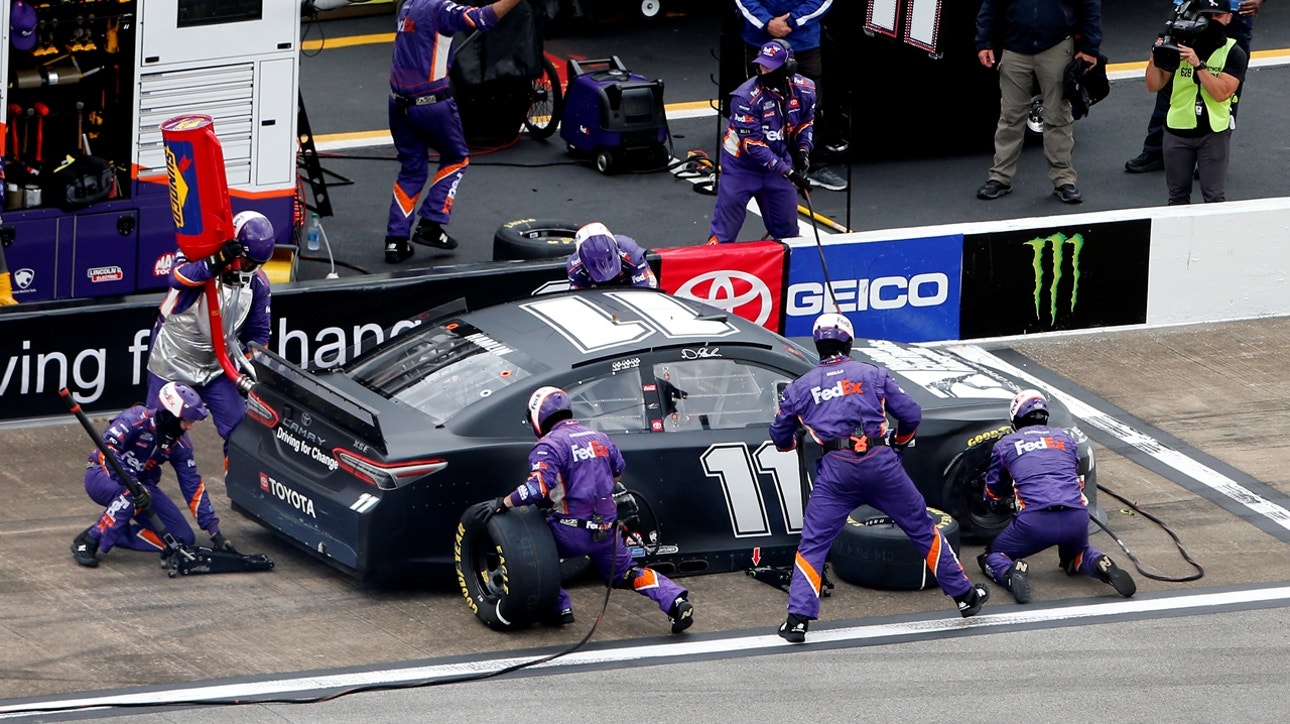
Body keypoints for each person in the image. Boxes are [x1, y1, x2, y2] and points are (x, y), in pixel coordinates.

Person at [769, 313, 989, 642]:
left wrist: (792, 441)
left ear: (818, 344)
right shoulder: (873, 373)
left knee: (813, 543)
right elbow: (911, 414)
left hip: (836, 471)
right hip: (880, 463)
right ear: (848, 342)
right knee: (921, 529)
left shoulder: (800, 387)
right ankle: (965, 597)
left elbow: (780, 437)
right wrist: (898, 443)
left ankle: (798, 619)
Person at [471, 386, 695, 634]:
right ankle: (675, 601)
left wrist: (503, 503)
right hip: (607, 530)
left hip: (569, 532)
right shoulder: (600, 437)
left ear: (538, 416)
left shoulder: (549, 445)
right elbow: (617, 474)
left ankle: (560, 607)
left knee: (534, 554)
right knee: (629, 572)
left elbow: (536, 490)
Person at [383, 0, 523, 264]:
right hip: (431, 103)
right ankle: (432, 224)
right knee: (456, 157)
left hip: (397, 102)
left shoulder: (407, 6)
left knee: (412, 169)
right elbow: (482, 19)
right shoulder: (439, 8)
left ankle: (395, 240)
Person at [979, 389, 1136, 602]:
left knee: (992, 555)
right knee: (1076, 553)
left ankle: (1011, 573)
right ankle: (1101, 563)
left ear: (1015, 417)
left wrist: (1001, 502)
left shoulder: (1005, 445)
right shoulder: (1065, 439)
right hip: (1077, 516)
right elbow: (1074, 474)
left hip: (1035, 521)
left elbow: (992, 493)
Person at [146, 211, 274, 457]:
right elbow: (177, 276)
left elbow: (259, 335)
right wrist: (215, 262)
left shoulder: (258, 284)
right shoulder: (199, 253)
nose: (249, 268)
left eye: (256, 264)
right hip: (172, 358)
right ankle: (137, 482)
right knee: (156, 430)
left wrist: (249, 369)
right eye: (246, 260)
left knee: (241, 431)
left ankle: (238, 485)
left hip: (218, 367)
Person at [71, 381, 235, 568]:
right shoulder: (134, 419)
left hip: (140, 488)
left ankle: (113, 530)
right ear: (171, 415)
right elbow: (105, 451)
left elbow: (193, 485)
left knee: (183, 538)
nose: (190, 427)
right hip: (101, 475)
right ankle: (90, 541)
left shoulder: (181, 445)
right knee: (133, 493)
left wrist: (214, 531)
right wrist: (133, 483)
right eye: (187, 421)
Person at [974, 0, 1103, 205]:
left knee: (1058, 114)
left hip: (1056, 45)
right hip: (1015, 48)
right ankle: (1000, 177)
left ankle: (1063, 180)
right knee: (1010, 116)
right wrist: (984, 42)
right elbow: (991, 4)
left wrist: (1090, 47)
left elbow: (1089, 4)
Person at [1125, 0, 1264, 173]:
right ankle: (1158, 149)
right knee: (1171, 76)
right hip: (1194, 9)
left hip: (1233, 11)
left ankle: (1212, 155)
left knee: (1225, 86)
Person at [707, 40, 815, 245]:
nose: (763, 71)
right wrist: (789, 172)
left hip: (777, 168)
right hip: (741, 167)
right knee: (723, 235)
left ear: (788, 68)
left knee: (788, 233)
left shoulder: (806, 90)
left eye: (769, 67)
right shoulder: (744, 98)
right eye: (761, 65)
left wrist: (803, 151)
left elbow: (805, 123)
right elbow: (753, 145)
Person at [734, 0, 846, 191]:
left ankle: (811, 166)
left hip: (804, 43)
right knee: (759, 105)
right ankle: (761, 168)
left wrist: (792, 21)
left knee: (810, 106)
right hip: (762, 42)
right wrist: (766, 22)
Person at [1144, 1, 1247, 204]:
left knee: (1214, 197)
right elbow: (1154, 85)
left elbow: (1221, 93)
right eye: (1207, 16)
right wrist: (1155, 56)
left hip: (1213, 133)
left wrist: (1198, 65)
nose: (1211, 21)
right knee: (1177, 198)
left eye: (1217, 16)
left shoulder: (1234, 52)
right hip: (1178, 130)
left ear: (1229, 17)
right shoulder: (1179, 47)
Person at [566, 222, 657, 290]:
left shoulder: (629, 250)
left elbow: (647, 290)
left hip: (631, 287)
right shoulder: (574, 267)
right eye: (594, 263)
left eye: (608, 258)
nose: (603, 266)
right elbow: (581, 301)